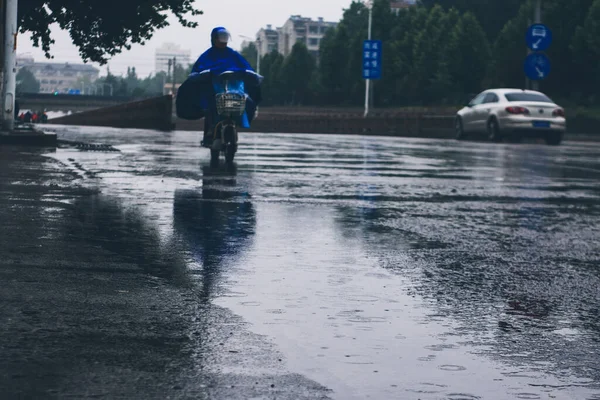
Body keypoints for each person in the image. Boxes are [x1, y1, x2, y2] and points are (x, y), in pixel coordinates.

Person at [189, 27, 258, 146]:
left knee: (248, 102)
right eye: (221, 38)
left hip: (233, 88)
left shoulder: (233, 54)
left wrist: (251, 74)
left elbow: (245, 66)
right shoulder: (208, 55)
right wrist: (201, 75)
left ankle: (236, 124)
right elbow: (197, 69)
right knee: (210, 104)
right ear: (214, 39)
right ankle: (211, 130)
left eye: (225, 38)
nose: (223, 41)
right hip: (214, 89)